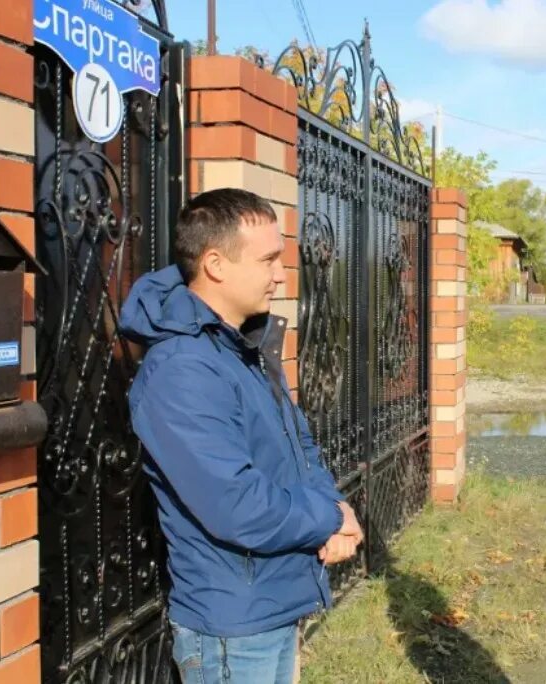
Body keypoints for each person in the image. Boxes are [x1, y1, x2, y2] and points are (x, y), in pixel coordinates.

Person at [120, 188, 363, 683]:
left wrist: (338, 514)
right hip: (232, 628)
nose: (280, 274)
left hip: (271, 603)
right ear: (215, 264)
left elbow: (302, 451)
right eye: (269, 259)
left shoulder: (241, 348)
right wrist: (330, 516)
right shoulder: (182, 369)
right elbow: (237, 504)